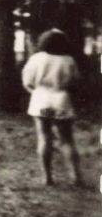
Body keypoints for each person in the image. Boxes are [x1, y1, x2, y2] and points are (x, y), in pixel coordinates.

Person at [22, 29, 83, 187]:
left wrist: (35, 91)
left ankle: (48, 177)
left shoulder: (37, 58)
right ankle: (76, 177)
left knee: (44, 137)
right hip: (61, 100)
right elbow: (76, 81)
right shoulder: (68, 60)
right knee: (67, 140)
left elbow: (27, 80)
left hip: (41, 100)